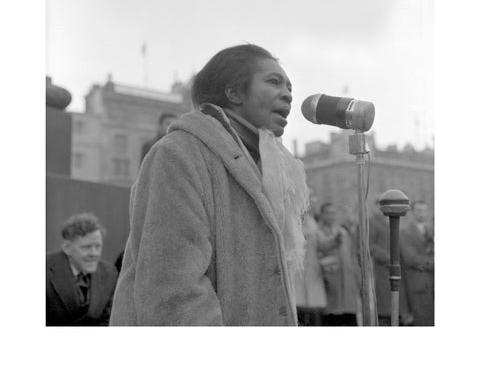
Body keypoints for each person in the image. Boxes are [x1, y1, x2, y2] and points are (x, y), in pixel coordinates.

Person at [110, 44, 310, 326]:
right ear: (234, 92)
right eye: (274, 81)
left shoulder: (269, 168)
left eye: (289, 86)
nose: (288, 94)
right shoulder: (178, 153)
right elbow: (174, 290)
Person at [46, 213, 118, 326]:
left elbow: (106, 321)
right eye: (86, 247)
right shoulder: (45, 269)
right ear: (67, 248)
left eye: (98, 246)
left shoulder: (109, 273)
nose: (94, 253)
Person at [317, 202, 361, 326]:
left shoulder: (343, 232)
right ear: (322, 215)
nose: (331, 216)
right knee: (333, 318)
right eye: (328, 213)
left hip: (348, 282)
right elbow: (321, 247)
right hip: (330, 284)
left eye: (333, 213)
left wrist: (358, 279)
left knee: (350, 318)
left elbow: (352, 256)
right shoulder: (317, 232)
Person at [369, 201, 411, 326]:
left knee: (399, 303)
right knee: (385, 306)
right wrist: (386, 257)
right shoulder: (373, 222)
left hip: (400, 266)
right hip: (384, 268)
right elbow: (370, 245)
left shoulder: (396, 218)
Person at [400, 200, 434, 326]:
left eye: (424, 210)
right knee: (423, 321)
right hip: (418, 284)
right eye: (418, 210)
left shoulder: (432, 229)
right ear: (412, 212)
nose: (422, 214)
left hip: (433, 283)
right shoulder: (405, 231)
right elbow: (411, 258)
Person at [294, 205, 328, 326]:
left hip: (313, 268)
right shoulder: (293, 224)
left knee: (314, 304)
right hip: (296, 267)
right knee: (297, 300)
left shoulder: (314, 227)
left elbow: (323, 245)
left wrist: (335, 241)